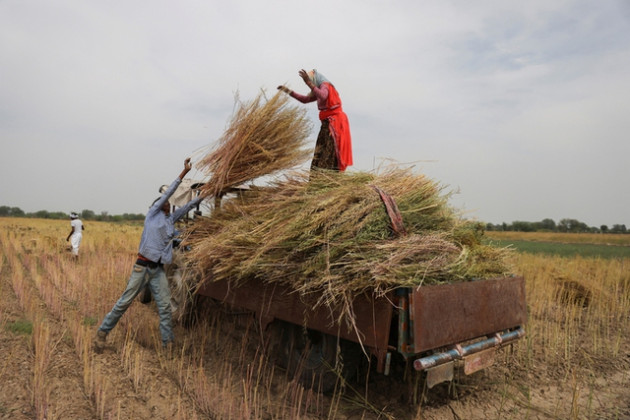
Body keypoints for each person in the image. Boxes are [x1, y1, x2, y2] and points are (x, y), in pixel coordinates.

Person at [94, 158, 205, 352]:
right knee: (124, 302)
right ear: (159, 205)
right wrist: (183, 173)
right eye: (166, 204)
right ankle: (102, 334)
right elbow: (169, 192)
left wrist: (206, 193)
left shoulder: (170, 221)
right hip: (142, 267)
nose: (169, 205)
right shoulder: (153, 215)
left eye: (169, 205)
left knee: (164, 308)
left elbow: (187, 207)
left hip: (157, 271)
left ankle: (167, 345)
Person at [278, 69, 353, 172]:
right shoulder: (318, 89)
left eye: (311, 81)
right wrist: (288, 91)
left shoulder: (325, 86)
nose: (311, 84)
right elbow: (305, 99)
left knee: (328, 153)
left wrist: (308, 82)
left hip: (335, 125)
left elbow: (323, 95)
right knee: (320, 153)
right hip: (327, 124)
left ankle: (328, 179)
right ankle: (318, 180)